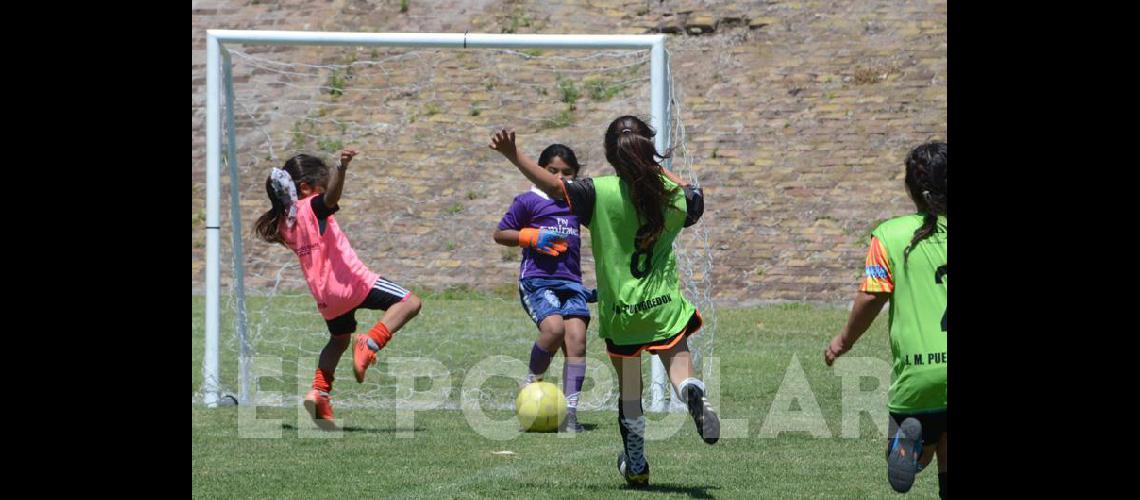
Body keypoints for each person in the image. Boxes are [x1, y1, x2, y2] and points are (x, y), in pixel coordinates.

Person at [490, 116, 717, 487]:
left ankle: (638, 466)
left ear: (611, 155)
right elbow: (695, 197)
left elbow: (552, 185)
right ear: (647, 149)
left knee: (631, 393)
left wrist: (515, 155)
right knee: (680, 368)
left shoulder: (597, 192)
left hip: (622, 314)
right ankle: (692, 391)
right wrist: (660, 171)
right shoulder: (673, 196)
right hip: (663, 307)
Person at [254, 149, 423, 429]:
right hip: (353, 283)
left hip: (326, 299)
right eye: (321, 186)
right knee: (410, 302)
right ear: (306, 189)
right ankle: (369, 344)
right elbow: (330, 198)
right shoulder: (311, 207)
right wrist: (341, 170)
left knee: (338, 340)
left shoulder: (285, 223)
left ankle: (319, 392)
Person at [824, 142, 947, 497]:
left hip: (918, 374)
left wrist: (842, 341)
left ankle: (909, 448)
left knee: (916, 444)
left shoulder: (890, 235)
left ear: (911, 189)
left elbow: (871, 297)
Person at [492, 143, 592, 433]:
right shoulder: (528, 201)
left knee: (577, 339)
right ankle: (531, 384)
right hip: (537, 281)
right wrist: (531, 237)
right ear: (540, 171)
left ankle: (569, 414)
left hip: (572, 283)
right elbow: (500, 234)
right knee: (554, 330)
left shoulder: (578, 203)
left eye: (567, 173)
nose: (560, 177)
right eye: (552, 171)